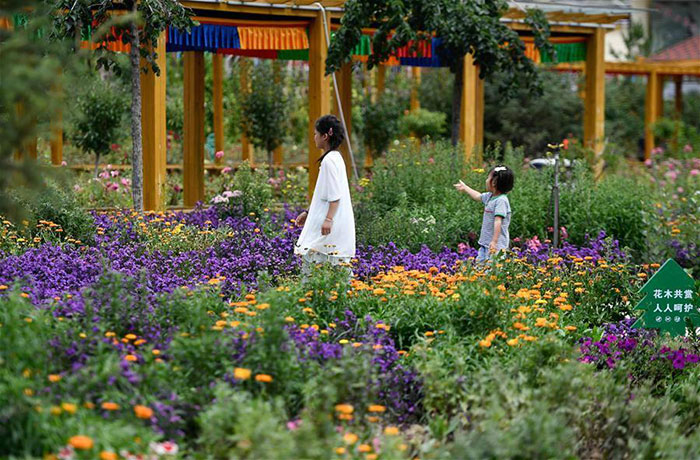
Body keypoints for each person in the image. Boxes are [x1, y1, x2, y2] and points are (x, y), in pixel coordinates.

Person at [294, 115, 355, 279]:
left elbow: (334, 196)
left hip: (328, 226)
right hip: (336, 223)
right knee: (338, 275)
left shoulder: (329, 160)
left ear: (325, 136)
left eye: (315, 134)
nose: (314, 137)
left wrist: (328, 219)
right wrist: (308, 213)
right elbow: (325, 194)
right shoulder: (337, 157)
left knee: (313, 273)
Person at [454, 165, 514, 264]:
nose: (486, 180)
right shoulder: (490, 196)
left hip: (496, 246)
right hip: (485, 243)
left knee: (493, 270)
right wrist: (465, 188)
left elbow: (498, 221)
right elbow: (478, 196)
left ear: (494, 182)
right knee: (480, 268)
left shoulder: (501, 201)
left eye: (488, 178)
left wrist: (494, 241)